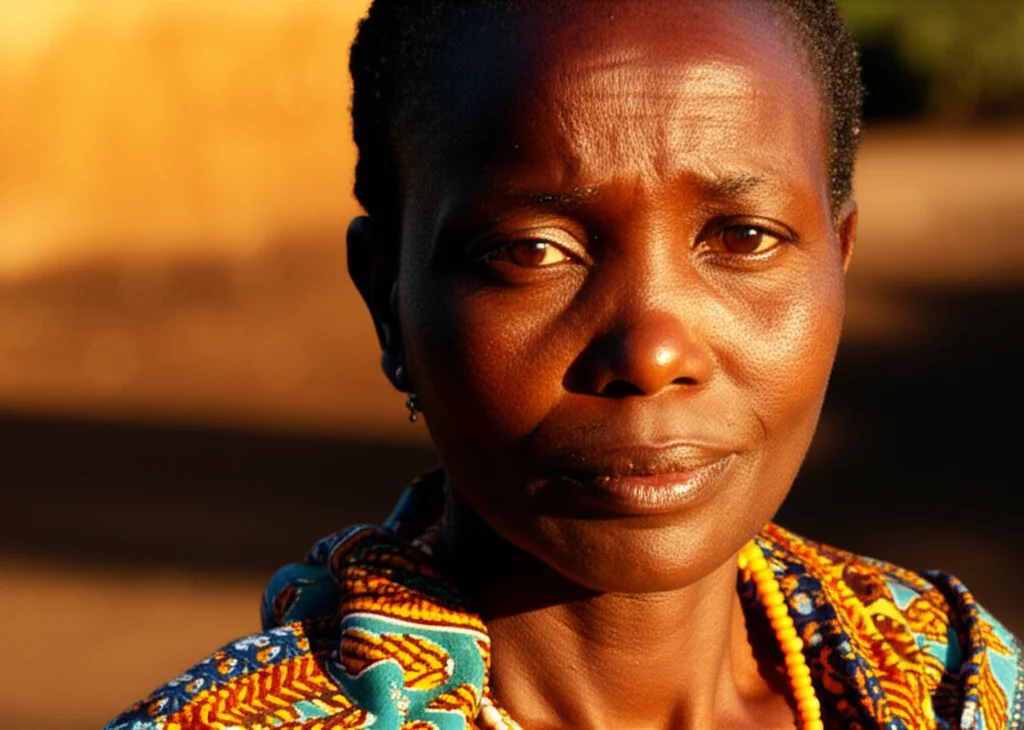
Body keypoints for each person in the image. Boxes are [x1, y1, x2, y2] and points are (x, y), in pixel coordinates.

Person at [104, 1, 1023, 729]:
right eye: (533, 251)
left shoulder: (952, 681)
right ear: (387, 299)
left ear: (840, 258)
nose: (654, 352)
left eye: (744, 238)